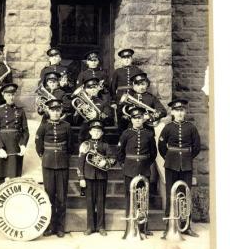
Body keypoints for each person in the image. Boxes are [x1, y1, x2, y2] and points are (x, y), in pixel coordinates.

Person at [158, 99, 201, 238]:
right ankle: (169, 226)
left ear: (185, 112)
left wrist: (187, 157)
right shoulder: (168, 127)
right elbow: (162, 147)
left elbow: (196, 147)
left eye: (182, 110)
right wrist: (171, 157)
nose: (180, 113)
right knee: (171, 194)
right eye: (177, 111)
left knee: (185, 194)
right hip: (171, 164)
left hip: (187, 164)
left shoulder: (191, 127)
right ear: (172, 112)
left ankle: (186, 226)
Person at [116, 106, 157, 236]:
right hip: (129, 169)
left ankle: (142, 228)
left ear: (143, 120)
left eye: (140, 118)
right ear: (131, 120)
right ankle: (129, 227)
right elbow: (120, 153)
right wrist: (125, 165)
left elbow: (153, 154)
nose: (138, 121)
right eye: (135, 118)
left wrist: (145, 164)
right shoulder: (126, 133)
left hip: (144, 170)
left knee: (143, 199)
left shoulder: (149, 134)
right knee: (129, 199)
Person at [35, 99, 73, 238]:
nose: (56, 113)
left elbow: (70, 146)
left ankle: (60, 228)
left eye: (58, 110)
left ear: (61, 111)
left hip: (63, 163)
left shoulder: (67, 126)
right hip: (48, 163)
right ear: (48, 111)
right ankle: (50, 227)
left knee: (62, 197)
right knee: (49, 196)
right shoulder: (44, 126)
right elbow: (38, 144)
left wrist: (64, 158)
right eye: (53, 110)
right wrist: (43, 156)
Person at [78, 120, 115, 236]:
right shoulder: (85, 145)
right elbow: (80, 163)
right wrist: (81, 178)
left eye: (99, 131)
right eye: (94, 131)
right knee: (89, 203)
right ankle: (90, 227)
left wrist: (107, 161)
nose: (96, 133)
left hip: (101, 177)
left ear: (102, 133)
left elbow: (113, 158)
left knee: (100, 202)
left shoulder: (105, 145)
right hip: (88, 177)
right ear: (90, 132)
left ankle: (101, 227)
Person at [0, 83, 29, 181]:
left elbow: (25, 131)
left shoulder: (21, 111)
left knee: (14, 177)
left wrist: (23, 145)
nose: (11, 97)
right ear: (4, 95)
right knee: (2, 177)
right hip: (3, 146)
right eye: (8, 95)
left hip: (15, 146)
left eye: (13, 95)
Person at [110, 48, 144, 133]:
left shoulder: (137, 70)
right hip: (120, 100)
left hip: (134, 98)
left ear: (131, 59)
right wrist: (113, 101)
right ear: (121, 60)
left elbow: (144, 84)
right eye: (124, 58)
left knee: (134, 119)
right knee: (121, 122)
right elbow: (112, 87)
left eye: (128, 57)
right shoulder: (117, 72)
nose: (127, 59)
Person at [75, 76, 113, 143]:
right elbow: (76, 121)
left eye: (95, 87)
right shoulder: (81, 102)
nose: (93, 90)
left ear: (98, 89)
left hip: (99, 126)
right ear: (85, 89)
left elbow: (109, 118)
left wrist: (104, 116)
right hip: (86, 127)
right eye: (89, 88)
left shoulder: (103, 102)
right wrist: (79, 111)